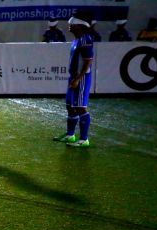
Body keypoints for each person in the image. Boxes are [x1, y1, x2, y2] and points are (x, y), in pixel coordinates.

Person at [52, 14, 95, 148]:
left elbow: (88, 61)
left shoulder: (85, 39)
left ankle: (84, 139)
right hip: (73, 78)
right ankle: (70, 135)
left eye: (72, 24)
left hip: (80, 78)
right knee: (70, 106)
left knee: (80, 108)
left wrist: (78, 78)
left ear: (80, 26)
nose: (69, 26)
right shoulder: (77, 40)